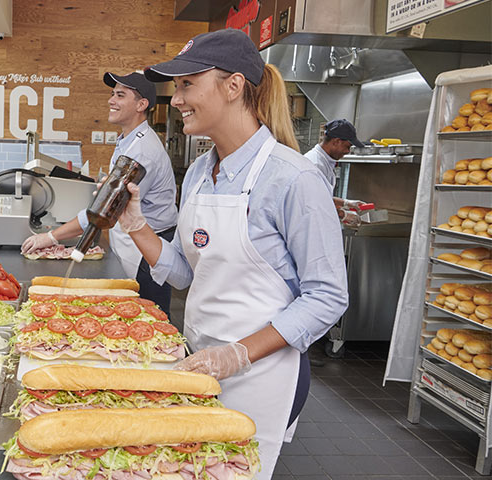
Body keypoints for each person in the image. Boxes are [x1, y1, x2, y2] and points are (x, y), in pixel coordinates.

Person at [118, 29, 348, 479]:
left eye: (187, 84)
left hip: (263, 374)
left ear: (233, 86)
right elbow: (189, 272)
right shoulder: (202, 171)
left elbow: (327, 297)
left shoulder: (293, 179)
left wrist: (237, 355)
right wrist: (137, 225)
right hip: (198, 362)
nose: (177, 98)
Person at [21, 72, 178, 315]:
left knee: (149, 320)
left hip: (149, 252)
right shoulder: (128, 140)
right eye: (112, 94)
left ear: (141, 104)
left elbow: (104, 211)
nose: (111, 100)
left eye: (120, 95)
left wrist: (49, 238)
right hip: (133, 244)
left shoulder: (142, 151)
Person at [303, 119, 368, 226]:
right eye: (347, 146)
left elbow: (322, 197)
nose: (348, 151)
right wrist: (343, 214)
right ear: (336, 141)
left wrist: (346, 203)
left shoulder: (324, 162)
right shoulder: (316, 165)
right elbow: (314, 204)